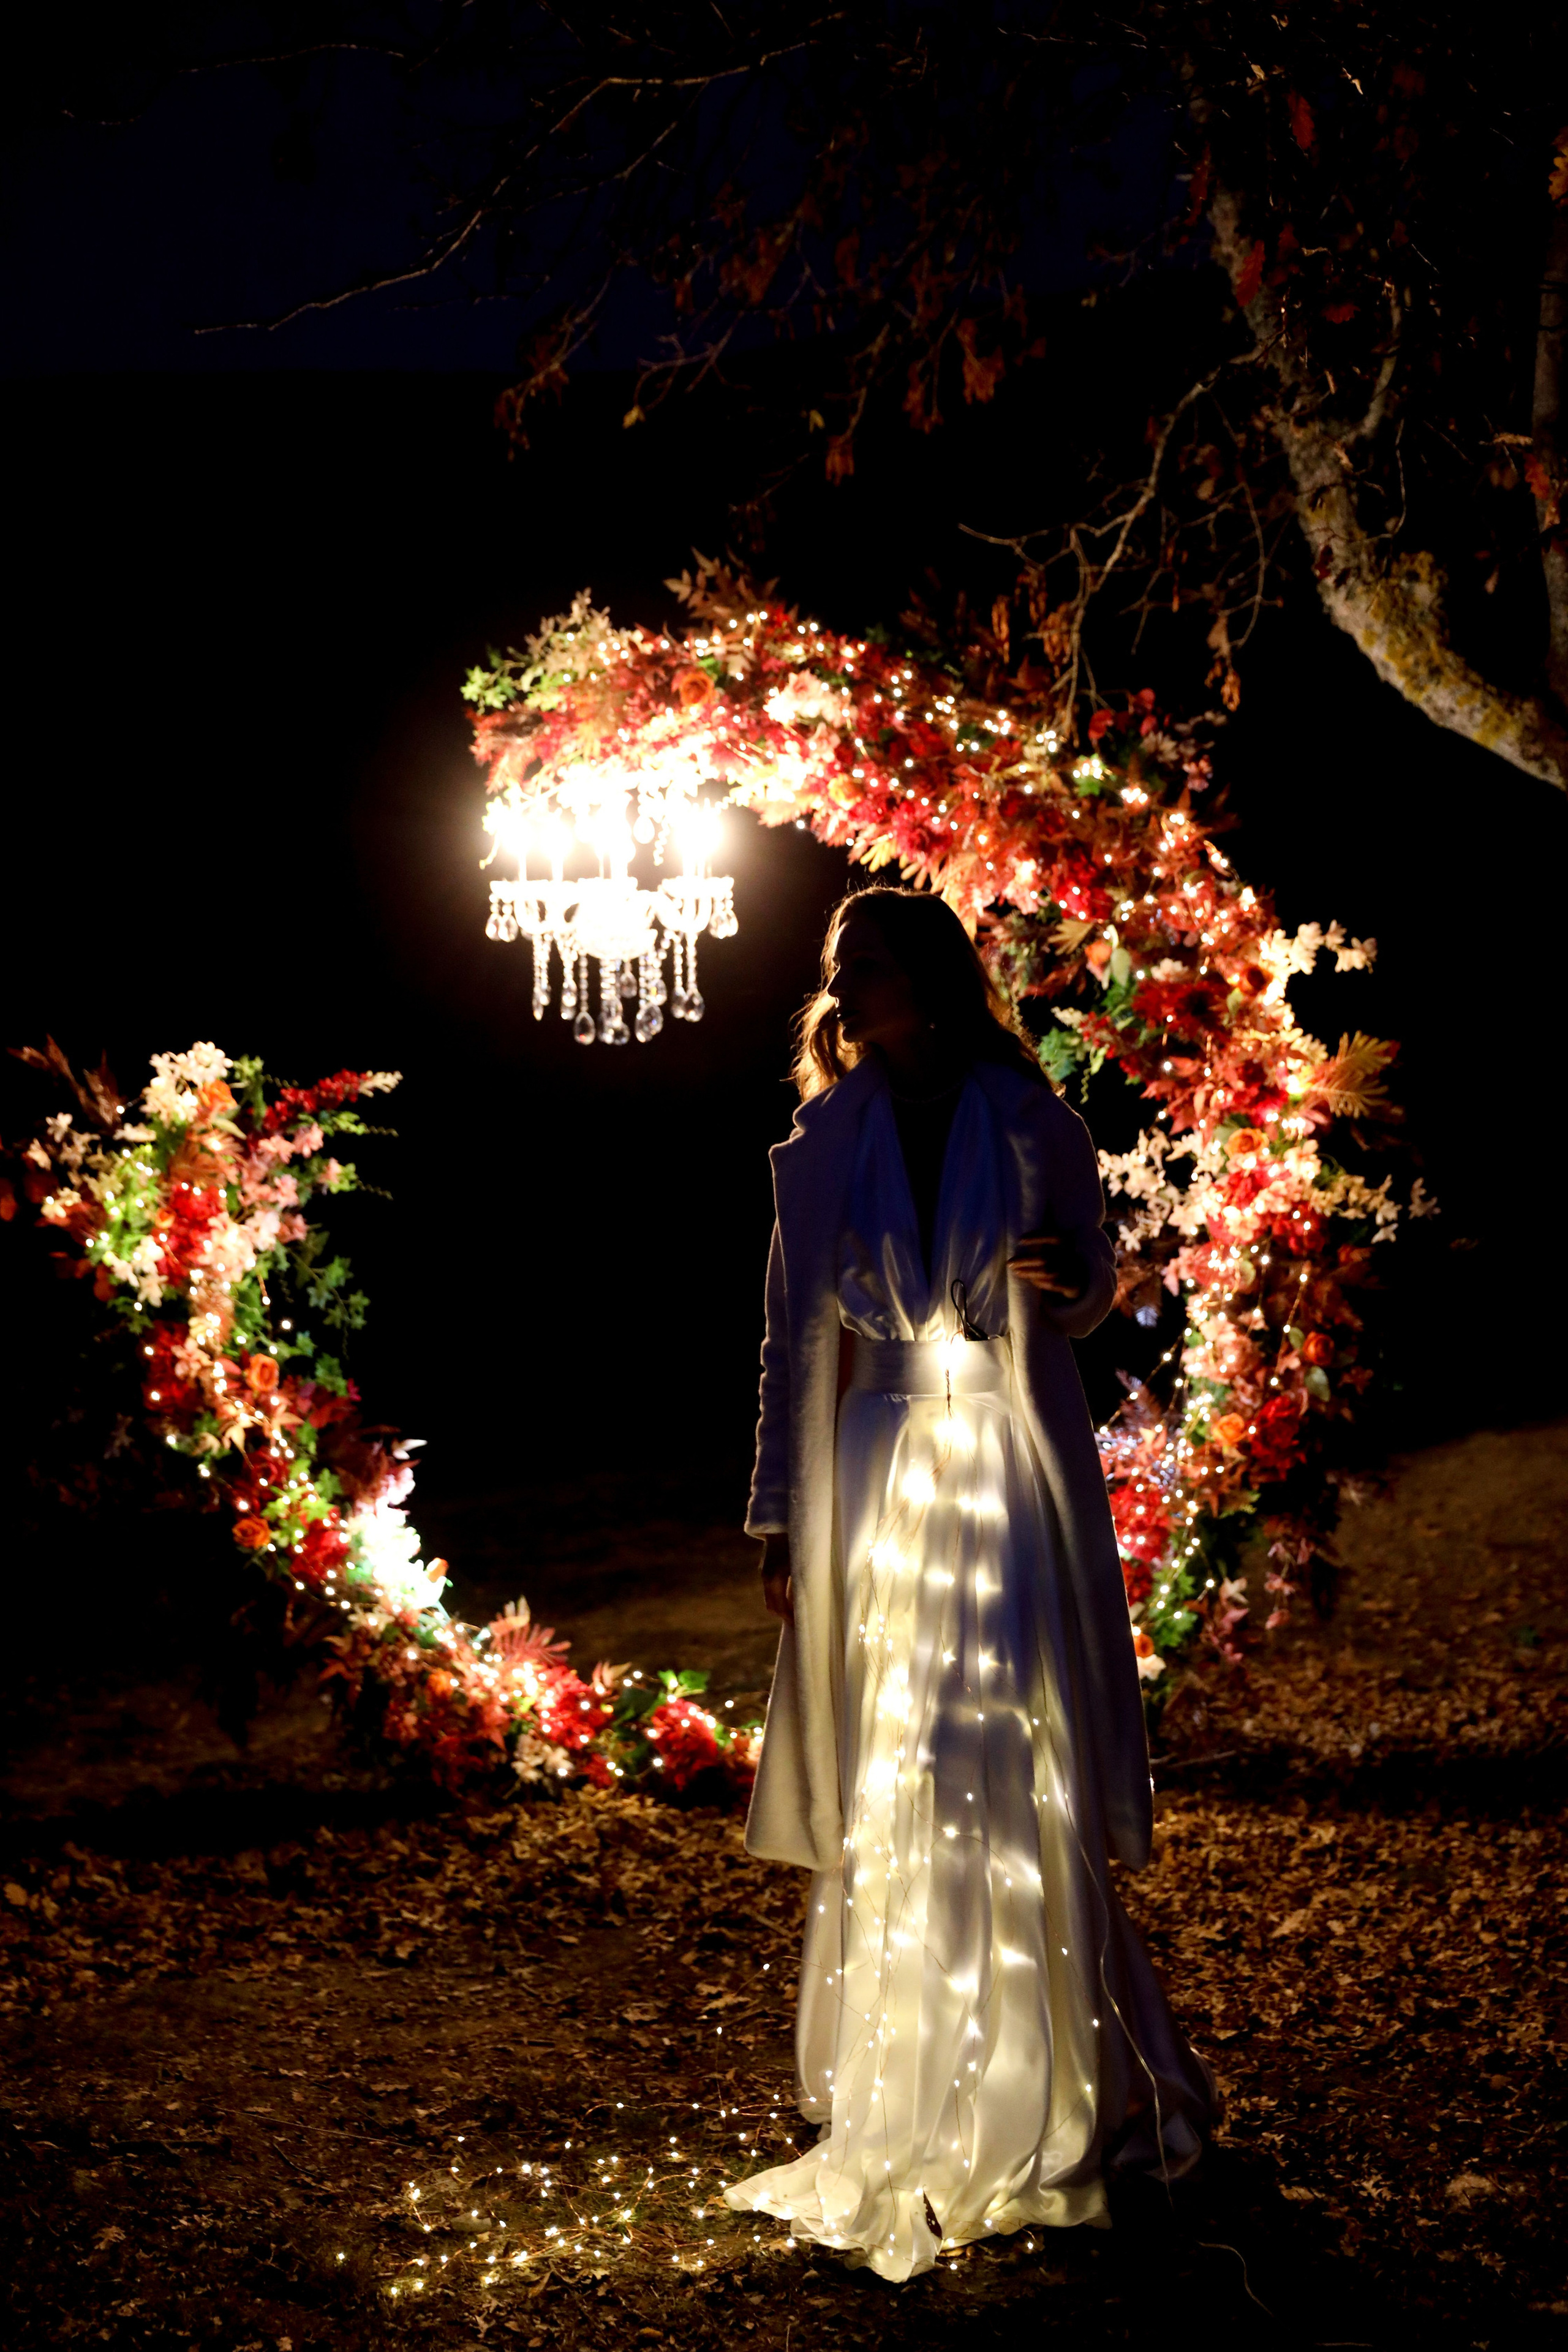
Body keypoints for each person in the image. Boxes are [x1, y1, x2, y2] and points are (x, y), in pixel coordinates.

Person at [723, 887, 1213, 2280]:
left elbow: (1092, 1284)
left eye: (861, 965)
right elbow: (783, 1341)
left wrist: (1067, 1286)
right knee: (894, 1759)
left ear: (926, 980)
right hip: (873, 1465)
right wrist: (778, 1522)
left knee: (999, 1746)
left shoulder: (1025, 1115)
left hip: (997, 1457)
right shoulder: (822, 1142)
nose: (839, 987)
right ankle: (913, 2082)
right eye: (834, 969)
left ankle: (1046, 2087)